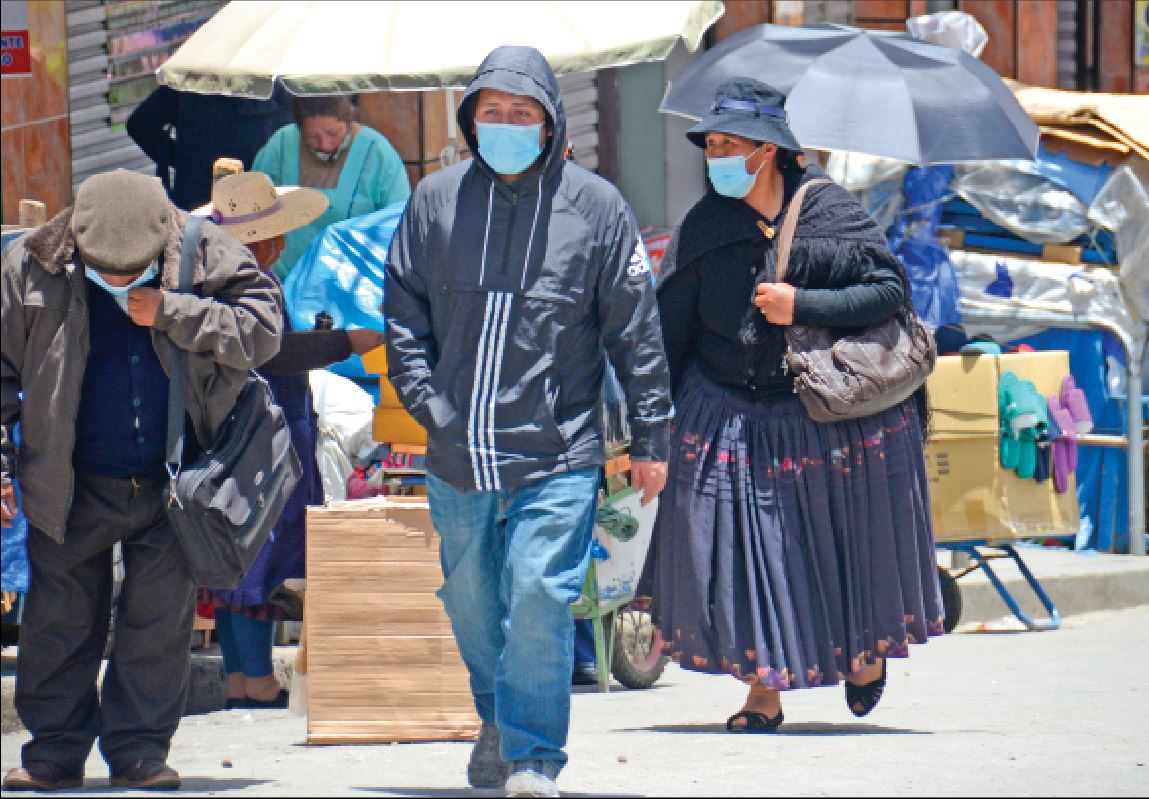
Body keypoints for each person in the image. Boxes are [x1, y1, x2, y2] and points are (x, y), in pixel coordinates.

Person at [384, 46, 673, 798]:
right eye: (493, 113)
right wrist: (427, 402)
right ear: (470, 119)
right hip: (457, 451)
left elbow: (635, 333)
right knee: (474, 602)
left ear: (549, 126)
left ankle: (533, 757)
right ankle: (498, 718)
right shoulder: (435, 202)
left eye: (523, 115)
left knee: (540, 593)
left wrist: (652, 437)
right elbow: (403, 313)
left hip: (558, 449)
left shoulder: (597, 208)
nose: (507, 125)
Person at [648, 78, 945, 733]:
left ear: (770, 149)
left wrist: (799, 304)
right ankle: (762, 691)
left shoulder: (829, 213)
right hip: (729, 409)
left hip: (825, 416)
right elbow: (670, 331)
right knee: (751, 556)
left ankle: (863, 655)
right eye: (711, 144)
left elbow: (887, 292)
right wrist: (646, 429)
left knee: (844, 549)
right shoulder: (705, 226)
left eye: (731, 143)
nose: (716, 155)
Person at [0, 170, 283, 790]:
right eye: (108, 270)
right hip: (68, 481)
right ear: (77, 239)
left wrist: (173, 311)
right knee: (59, 620)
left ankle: (140, 750)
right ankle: (53, 751)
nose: (120, 283)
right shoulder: (30, 263)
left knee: (158, 624)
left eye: (134, 272)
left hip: (177, 481)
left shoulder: (206, 250)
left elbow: (263, 332)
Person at [193, 171, 384, 709]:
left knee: (236, 553)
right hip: (264, 437)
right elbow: (273, 353)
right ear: (262, 238)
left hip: (244, 432)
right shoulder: (247, 283)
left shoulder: (218, 280)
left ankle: (239, 678)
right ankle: (256, 679)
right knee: (260, 553)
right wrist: (344, 341)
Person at [253, 94, 411, 280]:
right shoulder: (281, 144)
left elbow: (397, 222)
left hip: (350, 284)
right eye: (312, 136)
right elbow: (254, 206)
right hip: (284, 279)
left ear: (349, 120)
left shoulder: (377, 153)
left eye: (333, 134)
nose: (324, 145)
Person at [126, 83, 295, 211]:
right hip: (259, 205)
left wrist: (184, 160)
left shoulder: (191, 84)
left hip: (197, 207)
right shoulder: (283, 92)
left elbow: (140, 124)